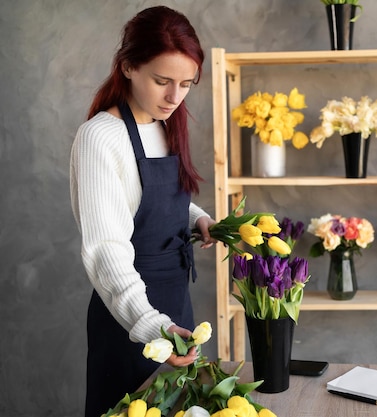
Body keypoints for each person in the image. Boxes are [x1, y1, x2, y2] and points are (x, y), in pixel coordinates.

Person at [69, 6, 216, 416]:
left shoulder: (163, 122)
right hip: (130, 318)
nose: (175, 97)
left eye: (187, 84)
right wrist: (154, 327)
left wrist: (196, 217)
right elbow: (106, 251)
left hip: (176, 307)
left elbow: (151, 199)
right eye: (162, 81)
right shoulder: (100, 136)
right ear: (129, 66)